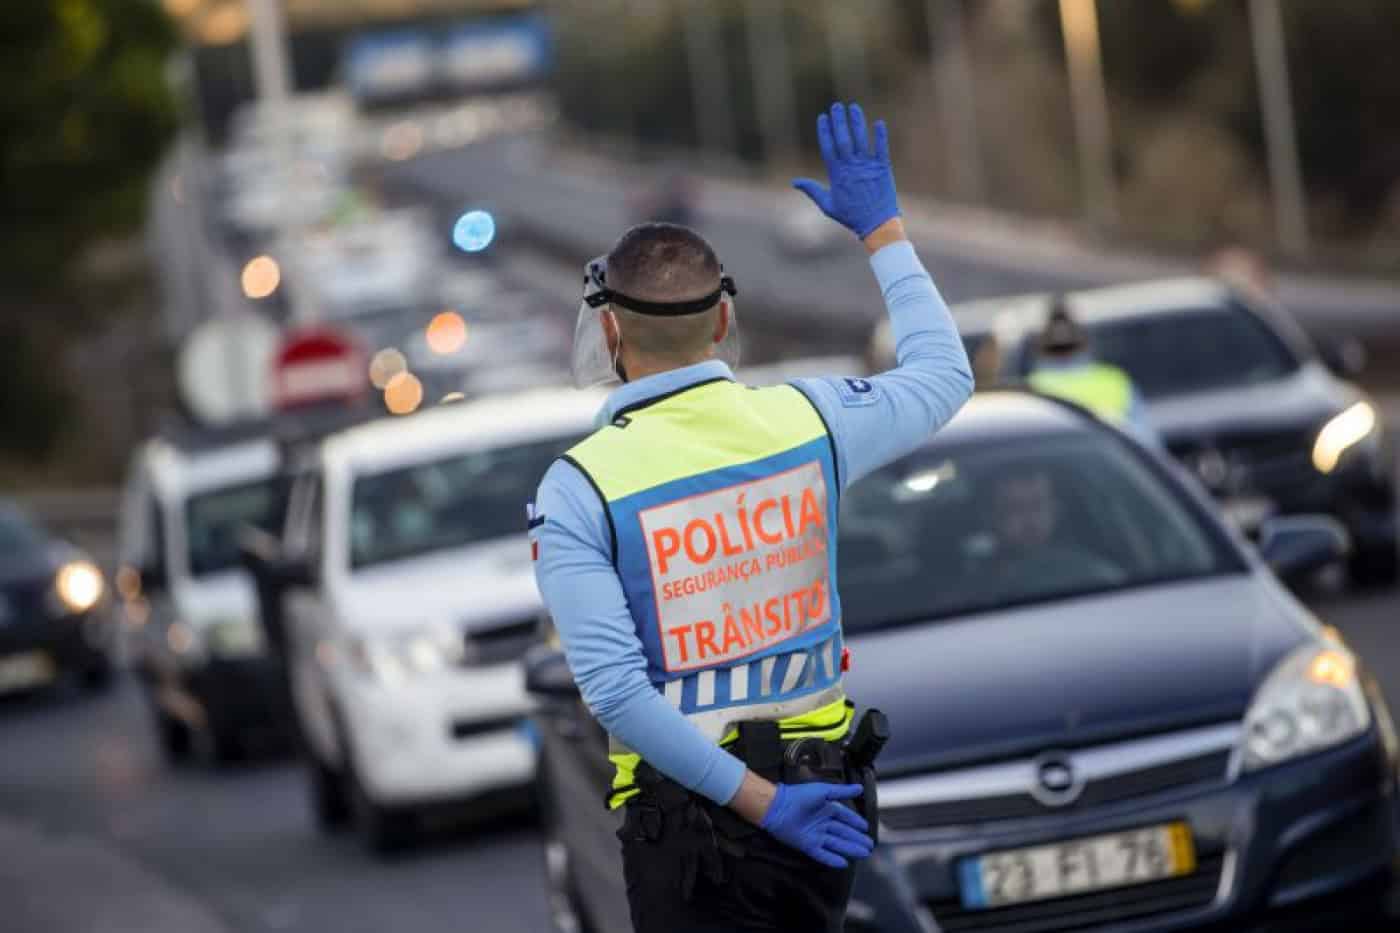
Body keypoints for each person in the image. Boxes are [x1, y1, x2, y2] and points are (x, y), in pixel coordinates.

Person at [529, 102, 973, 933]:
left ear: (610, 329)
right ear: (725, 321)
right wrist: (883, 232)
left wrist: (762, 806)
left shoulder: (579, 488)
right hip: (822, 811)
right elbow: (945, 373)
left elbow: (618, 693)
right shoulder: (810, 419)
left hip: (701, 834)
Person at [1027, 298, 1158, 445]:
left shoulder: (1029, 391)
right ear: (1084, 344)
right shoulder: (1115, 381)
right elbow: (1145, 441)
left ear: (1040, 349)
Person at [984, 466, 1124, 595]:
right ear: (994, 517)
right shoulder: (979, 588)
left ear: (1055, 509)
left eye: (1038, 505)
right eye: (1015, 508)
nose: (1029, 519)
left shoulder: (1090, 572)